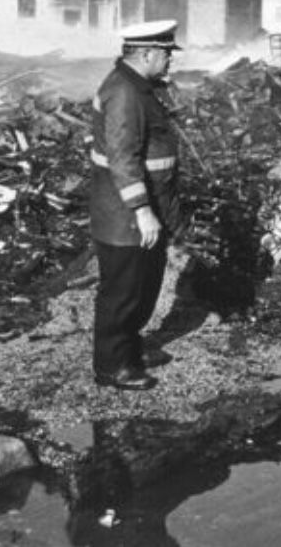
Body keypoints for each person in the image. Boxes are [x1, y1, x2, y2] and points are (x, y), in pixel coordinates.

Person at [88, 20, 184, 391]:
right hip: (126, 216)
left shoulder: (138, 86)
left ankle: (130, 348)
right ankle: (113, 366)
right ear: (146, 54)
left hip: (147, 208)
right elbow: (123, 159)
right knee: (123, 292)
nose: (170, 61)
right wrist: (142, 211)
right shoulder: (125, 93)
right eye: (166, 54)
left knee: (144, 285)